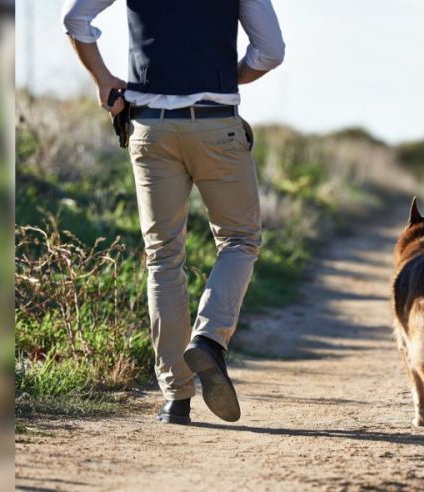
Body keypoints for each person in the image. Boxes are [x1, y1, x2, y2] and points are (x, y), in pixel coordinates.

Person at [62, 0, 285, 425]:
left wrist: (102, 79)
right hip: (216, 123)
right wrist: (224, 75)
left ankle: (175, 398)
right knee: (239, 240)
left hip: (150, 128)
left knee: (164, 258)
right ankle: (209, 339)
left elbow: (75, 19)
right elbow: (269, 52)